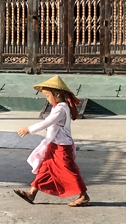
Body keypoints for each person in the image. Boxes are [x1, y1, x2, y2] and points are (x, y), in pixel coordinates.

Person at [14, 75, 90, 207]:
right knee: (45, 167)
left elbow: (47, 122)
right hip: (55, 144)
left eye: (48, 96)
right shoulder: (59, 107)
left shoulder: (60, 109)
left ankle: (84, 196)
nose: (47, 100)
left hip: (62, 146)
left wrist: (28, 129)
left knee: (68, 170)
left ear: (56, 94)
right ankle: (31, 193)